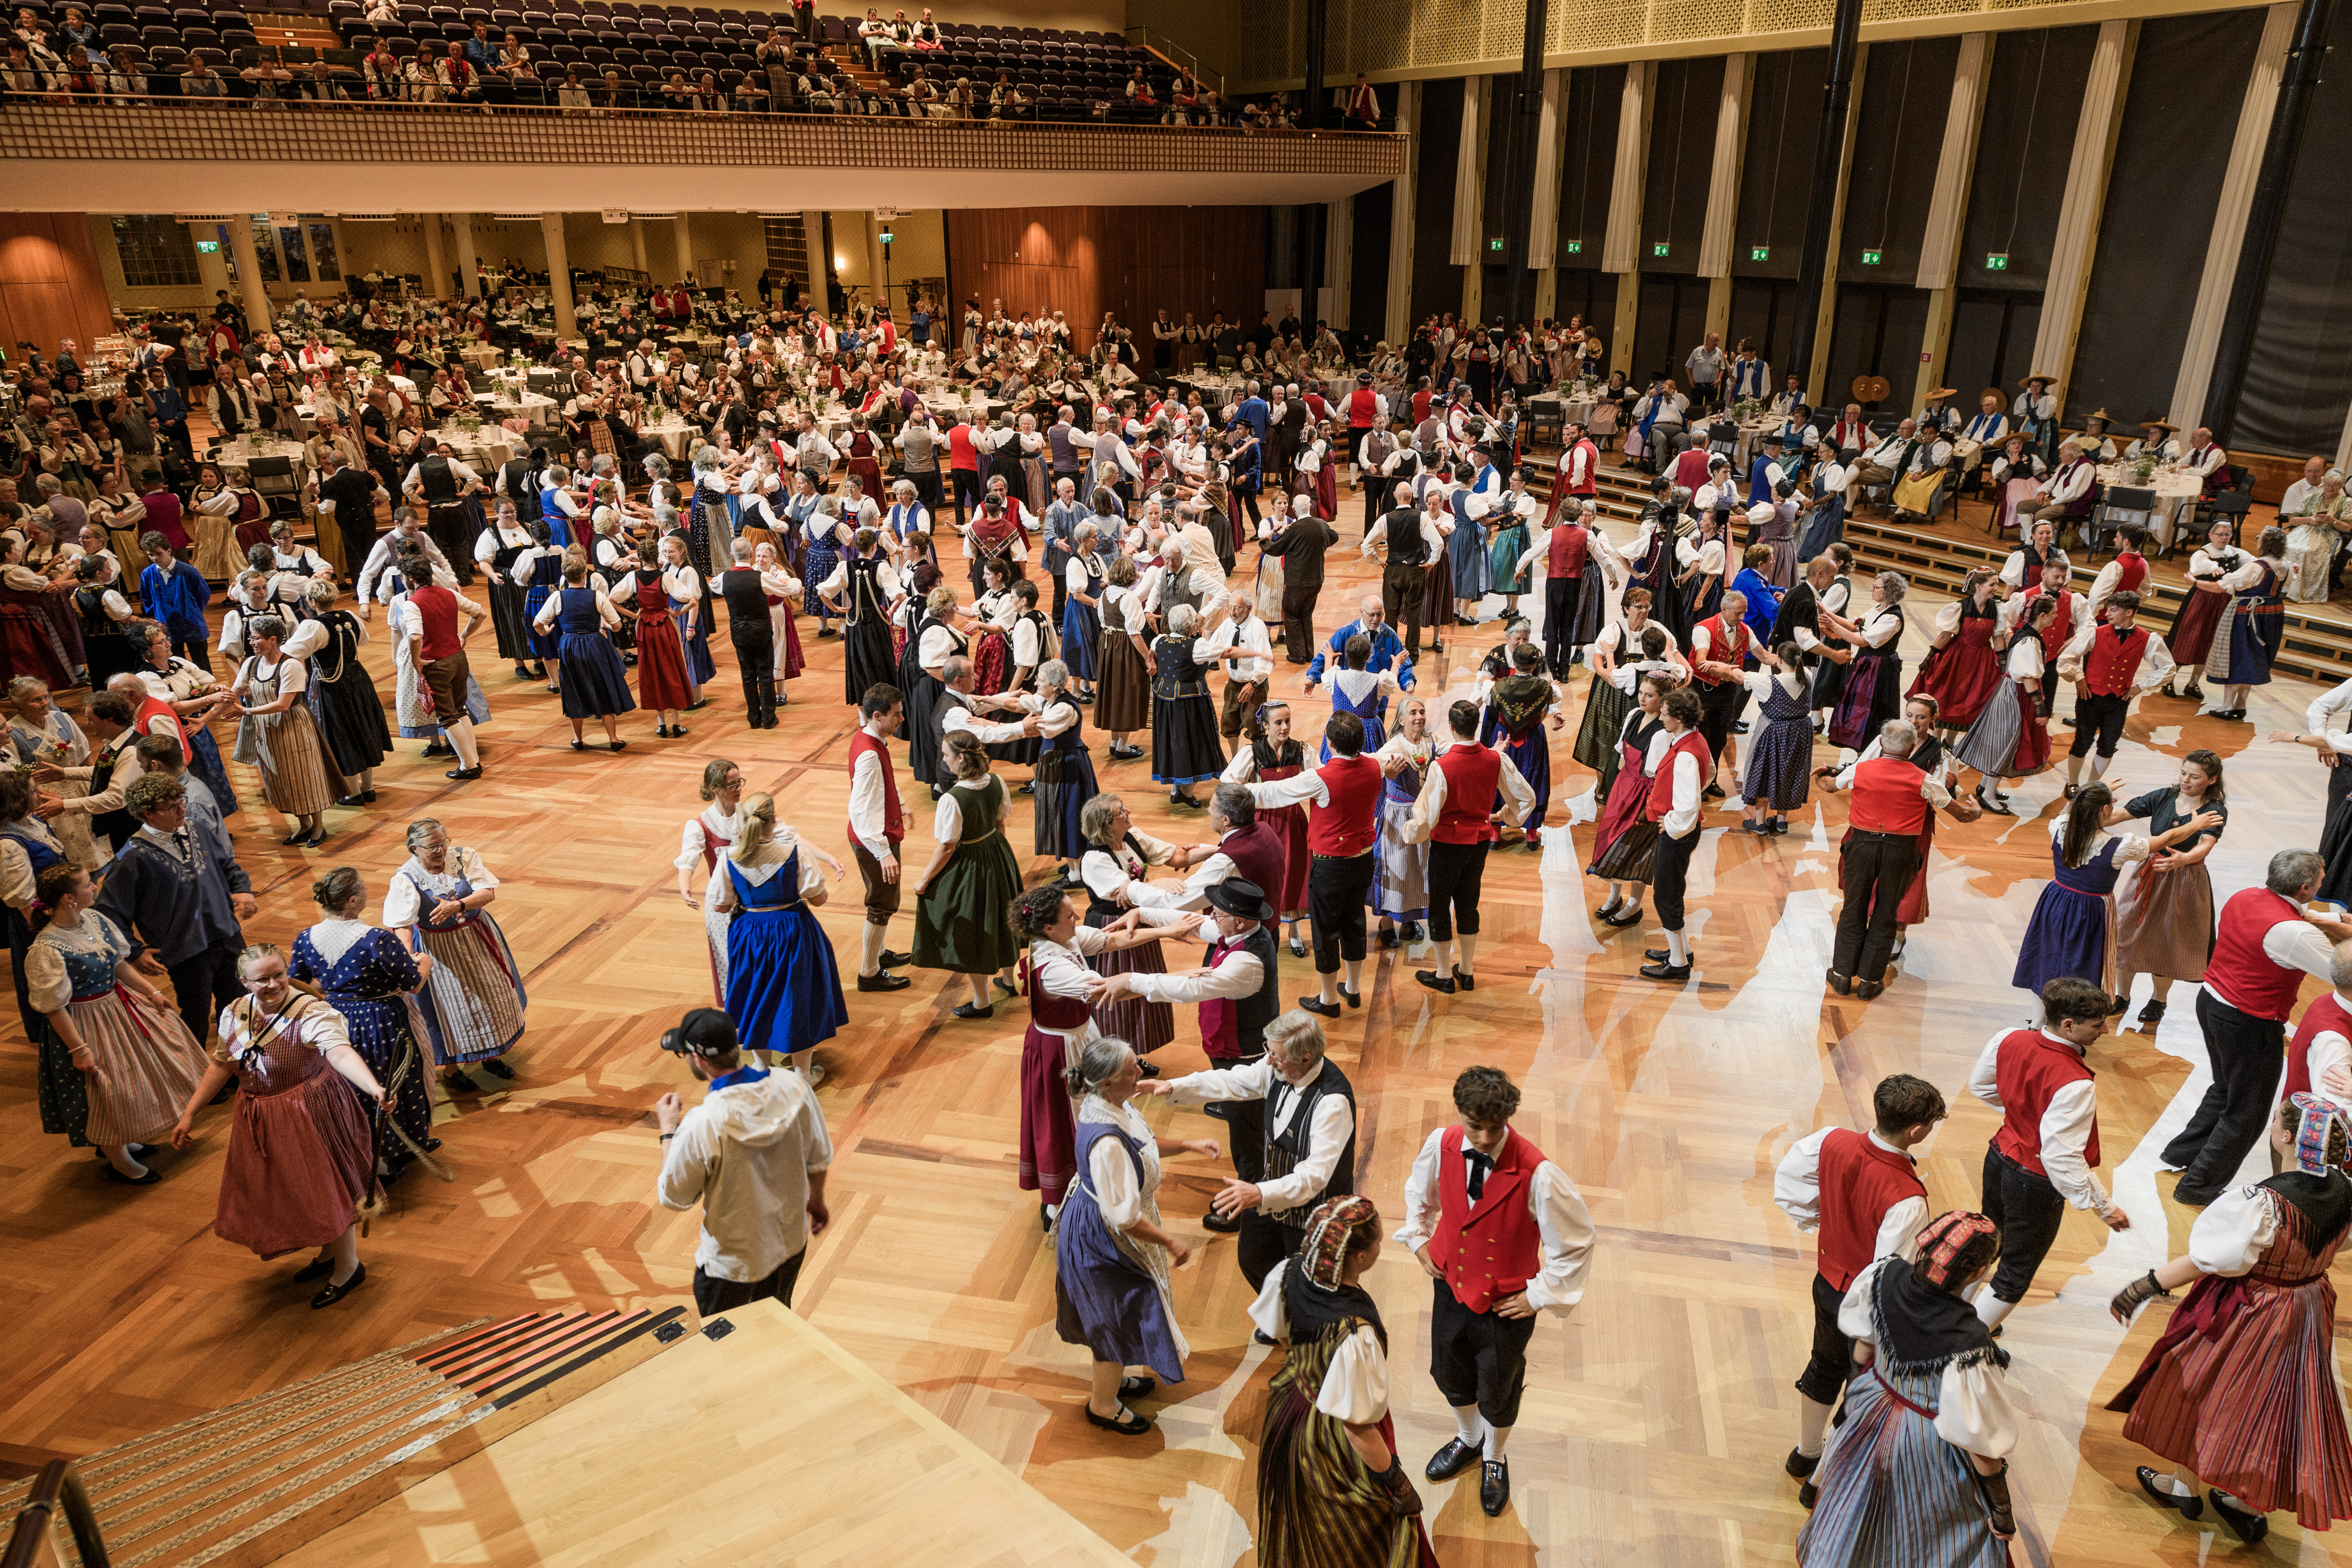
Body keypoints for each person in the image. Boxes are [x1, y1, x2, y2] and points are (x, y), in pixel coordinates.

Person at [2108, 1093, 2352, 1543]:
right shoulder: (2346, 1191)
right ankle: (2241, 1499)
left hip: (2251, 1310)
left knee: (2198, 1388)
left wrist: (2144, 1286)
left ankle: (2184, 1487)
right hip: (2308, 1308)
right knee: (2272, 1403)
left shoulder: (2263, 1202)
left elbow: (2207, 1260)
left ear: (2285, 1138)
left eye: (2277, 1119)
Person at [1393, 1066, 1596, 1516]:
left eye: (1496, 1127)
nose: (1485, 1138)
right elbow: (1418, 1195)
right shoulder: (1440, 1144)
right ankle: (1468, 1438)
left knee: (1498, 1388)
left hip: (1507, 1305)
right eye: (1475, 1126)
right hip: (1449, 1286)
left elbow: (1578, 1242)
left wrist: (1539, 1295)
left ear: (1509, 1117)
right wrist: (1418, 1238)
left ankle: (1494, 1458)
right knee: (1448, 1372)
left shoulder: (1539, 1174)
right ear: (1459, 1114)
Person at [1796, 1211, 2020, 1564]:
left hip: (1873, 1401)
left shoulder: (1884, 1275)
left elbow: (1862, 1351)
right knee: (1922, 1533)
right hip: (1924, 1438)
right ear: (1978, 1273)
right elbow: (1979, 1442)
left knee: (1855, 1503)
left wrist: (1856, 1405)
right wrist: (2002, 1511)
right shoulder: (1969, 1340)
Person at [170, 942, 385, 1309]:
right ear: (242, 982)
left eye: (279, 975)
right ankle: (328, 1254)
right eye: (262, 979)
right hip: (262, 1117)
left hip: (310, 1111)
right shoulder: (234, 1013)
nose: (273, 985)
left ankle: (348, 1267)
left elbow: (339, 1052)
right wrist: (190, 1113)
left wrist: (374, 1087)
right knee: (300, 1190)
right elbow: (222, 1064)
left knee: (328, 1187)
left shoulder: (311, 1013)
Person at [1774, 1074, 1944, 1508]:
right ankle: (1820, 1483)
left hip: (1826, 1282)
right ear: (1917, 1131)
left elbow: (1790, 1185)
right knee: (1859, 1390)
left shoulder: (1831, 1140)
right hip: (1864, 1308)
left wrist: (1824, 1225)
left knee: (1822, 1364)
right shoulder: (1907, 1197)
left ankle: (1804, 1454)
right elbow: (1888, 1276)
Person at [1244, 1195, 1439, 1567]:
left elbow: (1280, 1334)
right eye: (1378, 1240)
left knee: (1297, 1512)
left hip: (1291, 1404)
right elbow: (1356, 1427)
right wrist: (1396, 1482)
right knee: (1358, 1533)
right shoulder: (1354, 1333)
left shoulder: (1286, 1272)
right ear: (1361, 1257)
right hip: (1332, 1439)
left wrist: (1312, 1371)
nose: (1382, 1244)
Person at [1054, 1034, 1221, 1434]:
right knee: (1116, 1317)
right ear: (1108, 1080)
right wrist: (1171, 1242)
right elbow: (1125, 1218)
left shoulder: (1110, 1104)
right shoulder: (1108, 1143)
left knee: (1123, 1314)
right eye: (1132, 1069)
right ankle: (1103, 1404)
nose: (1140, 1072)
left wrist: (1188, 1143)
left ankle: (1112, 1381)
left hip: (1108, 1222)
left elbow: (1143, 1144)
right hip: (1106, 1238)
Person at [2162, 850, 2346, 1206]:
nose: (2324, 884)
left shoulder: (2246, 896)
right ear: (2306, 888)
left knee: (2226, 1088)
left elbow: (2305, 916)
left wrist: (2336, 920)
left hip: (2211, 1000)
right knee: (2247, 1112)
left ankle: (2181, 1154)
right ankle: (2197, 1187)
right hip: (2248, 1022)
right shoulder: (2293, 933)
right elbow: (2341, 971)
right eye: (2321, 881)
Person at [1009, 882, 1191, 1229]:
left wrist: (1169, 931)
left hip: (1079, 1037)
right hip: (1060, 1051)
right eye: (1069, 914)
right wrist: (1181, 980)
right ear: (1049, 927)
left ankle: (1091, 1186)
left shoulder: (1066, 939)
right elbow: (1112, 993)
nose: (1077, 916)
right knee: (1068, 1121)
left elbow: (1115, 939)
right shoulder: (1054, 969)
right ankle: (1059, 1205)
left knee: (1086, 1115)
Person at [1141, 1006, 1356, 1296]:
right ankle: (1279, 1315)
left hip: (1313, 1211)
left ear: (1305, 1060)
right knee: (1253, 1258)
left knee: (1310, 1282)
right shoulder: (1276, 1069)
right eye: (1269, 1051)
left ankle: (1300, 1328)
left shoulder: (1332, 1104)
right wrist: (1173, 1086)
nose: (1268, 1061)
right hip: (1270, 1190)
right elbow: (1231, 1081)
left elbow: (1313, 1178)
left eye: (1276, 1057)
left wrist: (1259, 1194)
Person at [26, 860, 208, 1183]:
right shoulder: (46, 949)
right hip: (84, 1022)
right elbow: (53, 1008)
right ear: (69, 898)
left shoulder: (94, 919)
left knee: (133, 1079)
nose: (94, 887)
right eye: (87, 884)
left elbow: (119, 964)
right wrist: (79, 1050)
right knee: (107, 1090)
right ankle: (118, 1159)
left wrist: (152, 993)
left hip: (119, 1007)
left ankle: (123, 1140)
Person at [1967, 976, 2130, 1332]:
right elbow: (2061, 1159)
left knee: (1986, 1242)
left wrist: (2021, 1114)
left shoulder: (2008, 1038)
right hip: (2033, 1183)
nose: (2104, 1031)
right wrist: (2105, 1207)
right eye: (2098, 1024)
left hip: (1997, 1158)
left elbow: (1980, 1086)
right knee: (2016, 1269)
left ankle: (1952, 1312)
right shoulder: (2077, 1083)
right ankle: (1966, 1338)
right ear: (2069, 1025)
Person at [652, 1006, 834, 1315]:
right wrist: (816, 1199)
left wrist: (668, 1132)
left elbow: (674, 1196)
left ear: (698, 1059)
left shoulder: (703, 1123)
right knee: (777, 1328)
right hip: (789, 1244)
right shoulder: (793, 1086)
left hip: (732, 1267)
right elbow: (819, 1155)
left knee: (727, 1348)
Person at [92, 772, 257, 1054]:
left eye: (182, 800)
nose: (182, 809)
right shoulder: (132, 858)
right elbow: (107, 914)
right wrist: (134, 951)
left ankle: (236, 1068)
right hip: (186, 951)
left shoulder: (197, 828)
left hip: (227, 935)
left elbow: (227, 865)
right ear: (148, 814)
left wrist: (242, 888)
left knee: (240, 1008)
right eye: (171, 807)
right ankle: (195, 1079)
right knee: (196, 1018)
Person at [1243, 712, 1393, 1015]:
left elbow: (1274, 793)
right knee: (1355, 922)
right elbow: (1386, 755)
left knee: (1326, 930)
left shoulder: (1320, 778)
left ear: (1331, 743)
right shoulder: (1376, 766)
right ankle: (1353, 989)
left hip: (1330, 866)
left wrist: (1239, 791)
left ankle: (1328, 1000)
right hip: (1364, 858)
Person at [2013, 785, 2215, 1007]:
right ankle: (2071, 1018)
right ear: (2106, 810)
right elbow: (2167, 838)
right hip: (2090, 912)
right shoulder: (2119, 847)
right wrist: (2194, 825)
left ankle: (2038, 1020)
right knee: (2081, 962)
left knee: (2046, 954)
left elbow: (2072, 812)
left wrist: (2089, 796)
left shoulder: (2060, 826)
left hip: (2055, 901)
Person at [710, 792, 847, 1084]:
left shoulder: (729, 859)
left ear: (744, 822)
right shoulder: (796, 854)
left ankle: (761, 1070)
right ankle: (803, 1073)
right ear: (774, 820)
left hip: (749, 934)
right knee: (799, 997)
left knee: (756, 996)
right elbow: (819, 899)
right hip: (793, 931)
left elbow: (720, 905)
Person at [382, 816, 528, 1094]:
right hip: (438, 950)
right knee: (452, 1009)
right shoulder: (405, 879)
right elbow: (400, 924)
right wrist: (408, 956)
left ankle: (491, 1056)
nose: (441, 851)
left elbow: (487, 893)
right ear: (414, 849)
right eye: (432, 847)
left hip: (477, 937)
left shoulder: (464, 857)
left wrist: (459, 905)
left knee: (489, 996)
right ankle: (452, 1071)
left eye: (443, 843)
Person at [1404, 698, 1537, 993]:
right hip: (1477, 844)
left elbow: (1425, 815)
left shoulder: (1442, 766)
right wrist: (1504, 816)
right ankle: (1466, 971)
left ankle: (1442, 974)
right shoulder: (1495, 758)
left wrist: (1410, 832)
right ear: (1476, 726)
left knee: (1440, 906)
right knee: (1468, 903)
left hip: (1446, 845)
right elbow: (1527, 798)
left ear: (1451, 727)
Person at [1821, 720, 1953, 998]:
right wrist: (1973, 810)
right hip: (1901, 850)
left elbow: (1831, 786)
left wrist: (1822, 775)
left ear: (1881, 744)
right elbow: (1956, 809)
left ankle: (1842, 976)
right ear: (1912, 747)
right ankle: (1869, 983)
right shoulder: (1923, 778)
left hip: (1862, 846)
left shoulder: (1863, 769)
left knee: (1853, 908)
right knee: (1886, 913)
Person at [913, 731, 1025, 1019]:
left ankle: (981, 1002)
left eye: (946, 754)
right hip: (999, 854)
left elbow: (948, 847)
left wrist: (924, 880)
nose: (943, 760)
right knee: (1005, 917)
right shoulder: (998, 781)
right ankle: (1010, 981)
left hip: (972, 866)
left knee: (973, 930)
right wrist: (1003, 858)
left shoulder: (953, 799)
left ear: (961, 758)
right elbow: (1000, 825)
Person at [2113, 752, 2228, 1027]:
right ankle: (2122, 996)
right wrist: (2091, 812)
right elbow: (2122, 814)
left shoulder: (2215, 809)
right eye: (2183, 773)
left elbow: (2206, 844)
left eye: (2195, 776)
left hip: (2186, 878)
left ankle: (2158, 1000)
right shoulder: (2164, 796)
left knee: (2168, 942)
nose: (2186, 780)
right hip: (2150, 870)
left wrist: (2183, 859)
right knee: (2126, 931)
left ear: (2211, 780)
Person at [229, 614, 335, 847]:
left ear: (273, 640)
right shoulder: (251, 663)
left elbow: (283, 704)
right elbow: (235, 692)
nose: (251, 642)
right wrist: (205, 715)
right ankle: (304, 825)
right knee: (281, 780)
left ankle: (318, 827)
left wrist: (246, 712)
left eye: (256, 638)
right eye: (251, 637)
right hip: (265, 731)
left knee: (304, 777)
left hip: (293, 728)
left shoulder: (291, 665)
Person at [2055, 590, 2173, 794]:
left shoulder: (2148, 639)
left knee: (2108, 745)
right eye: (2108, 608)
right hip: (2089, 697)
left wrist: (2139, 687)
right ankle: (2072, 783)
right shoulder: (2096, 633)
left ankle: (2091, 787)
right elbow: (2067, 658)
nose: (2107, 613)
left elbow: (2168, 668)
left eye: (2114, 609)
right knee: (2082, 742)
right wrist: (2079, 678)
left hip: (2118, 701)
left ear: (2129, 612)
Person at [395, 547, 487, 778]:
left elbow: (415, 636)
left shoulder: (412, 603)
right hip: (458, 659)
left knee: (447, 716)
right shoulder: (449, 594)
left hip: (436, 663)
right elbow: (480, 614)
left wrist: (416, 661)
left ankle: (468, 765)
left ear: (411, 578)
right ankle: (473, 759)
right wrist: (464, 635)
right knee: (460, 709)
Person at [1640, 687, 1710, 983]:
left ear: (1679, 718)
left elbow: (1688, 804)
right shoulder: (1695, 740)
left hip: (1678, 834)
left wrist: (1669, 823)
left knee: (1666, 895)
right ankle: (1679, 949)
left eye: (1666, 715)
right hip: (1682, 832)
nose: (1662, 719)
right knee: (1672, 891)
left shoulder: (1684, 755)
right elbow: (1711, 775)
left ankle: (1679, 964)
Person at [531, 553, 634, 750]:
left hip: (569, 645)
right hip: (595, 644)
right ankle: (613, 739)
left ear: (566, 576)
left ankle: (578, 740)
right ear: (584, 574)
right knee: (602, 687)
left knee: (573, 689)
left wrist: (546, 632)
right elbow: (618, 625)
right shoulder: (597, 596)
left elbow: (537, 623)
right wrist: (608, 628)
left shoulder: (557, 597)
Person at [2202, 524, 2293, 721]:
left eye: (2260, 537)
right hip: (2273, 614)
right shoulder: (2285, 564)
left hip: (2247, 613)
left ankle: (2227, 706)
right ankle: (2240, 705)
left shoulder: (2257, 566)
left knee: (2237, 656)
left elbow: (2226, 585)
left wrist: (2194, 583)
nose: (2257, 539)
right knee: (2254, 658)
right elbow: (2289, 583)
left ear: (2265, 543)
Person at [1150, 601, 1229, 809]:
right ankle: (1184, 792)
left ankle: (1177, 789)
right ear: (1190, 627)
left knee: (1172, 741)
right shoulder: (1196, 646)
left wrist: (1151, 662)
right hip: (1189, 703)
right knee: (1191, 741)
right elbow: (1223, 652)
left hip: (1164, 703)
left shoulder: (1159, 641)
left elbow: (1152, 651)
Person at [717, 539, 780, 729]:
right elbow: (791, 589)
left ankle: (753, 718)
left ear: (731, 556)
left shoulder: (723, 578)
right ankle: (769, 718)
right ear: (752, 554)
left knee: (748, 675)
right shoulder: (760, 577)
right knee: (766, 674)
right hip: (761, 631)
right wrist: (790, 581)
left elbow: (713, 586)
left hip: (739, 632)